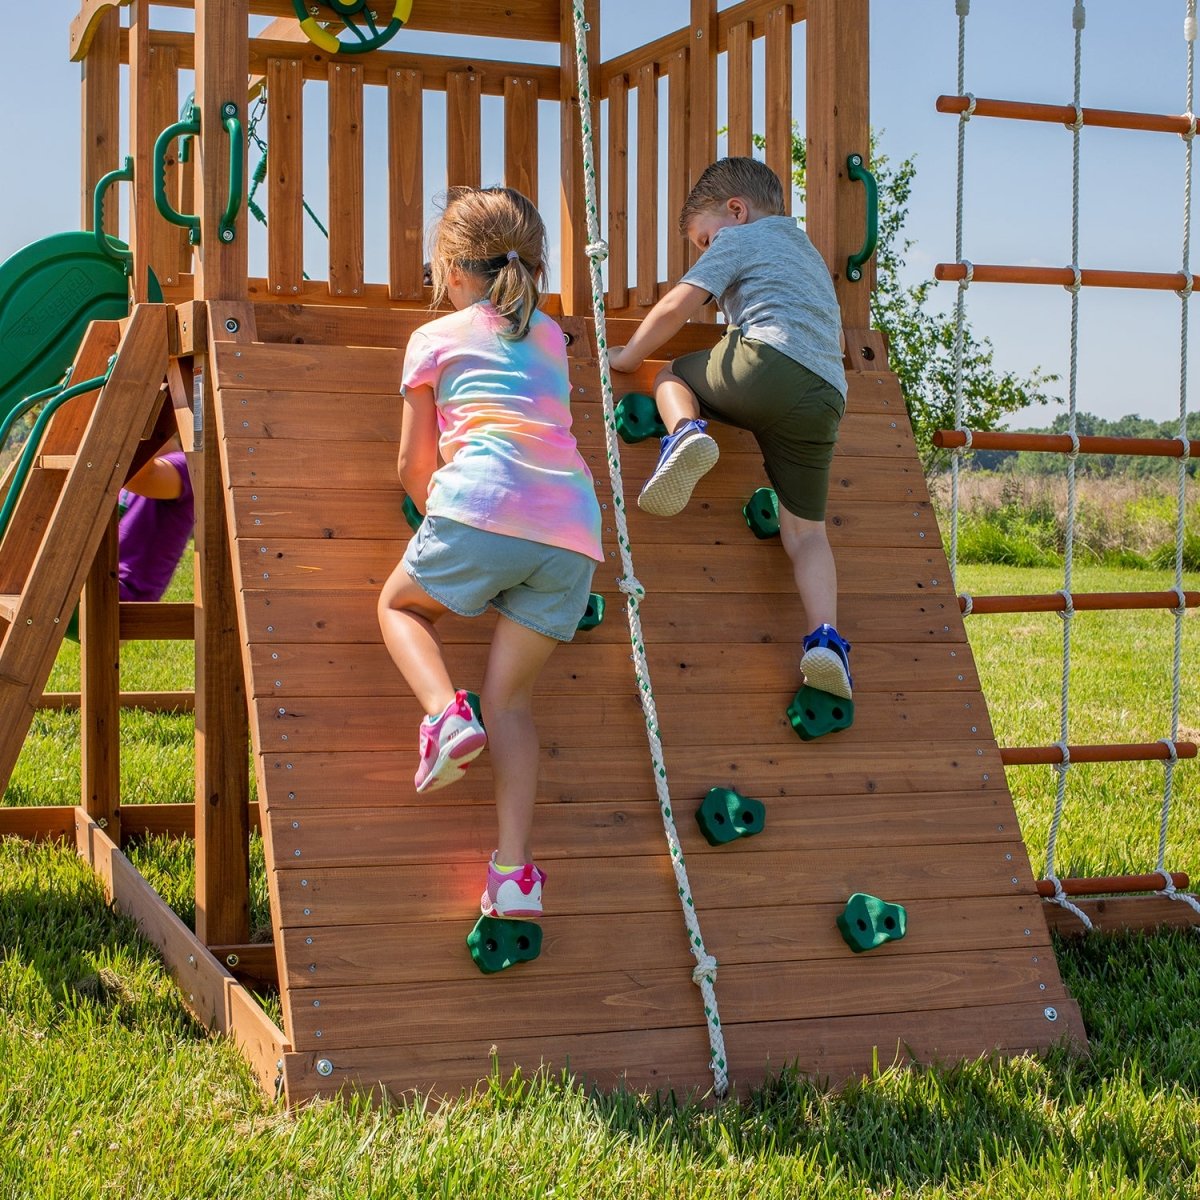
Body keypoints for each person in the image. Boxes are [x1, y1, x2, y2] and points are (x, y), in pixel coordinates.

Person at [377, 186, 604, 921]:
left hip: (484, 504)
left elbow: (413, 464)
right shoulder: (551, 337)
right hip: (572, 532)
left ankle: (445, 716)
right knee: (511, 703)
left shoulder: (436, 336)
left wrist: (427, 512)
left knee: (400, 606)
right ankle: (513, 874)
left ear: (449, 267)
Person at [607, 157, 853, 701]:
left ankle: (686, 434)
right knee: (807, 533)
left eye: (702, 240)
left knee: (673, 374)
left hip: (767, 362)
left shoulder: (742, 239)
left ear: (735, 212)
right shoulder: (805, 250)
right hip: (826, 395)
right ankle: (827, 640)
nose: (706, 250)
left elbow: (678, 307)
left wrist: (626, 358)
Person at [118, 439, 193, 602]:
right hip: (101, 582)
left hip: (124, 593)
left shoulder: (185, 466)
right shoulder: (133, 463)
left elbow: (139, 476)